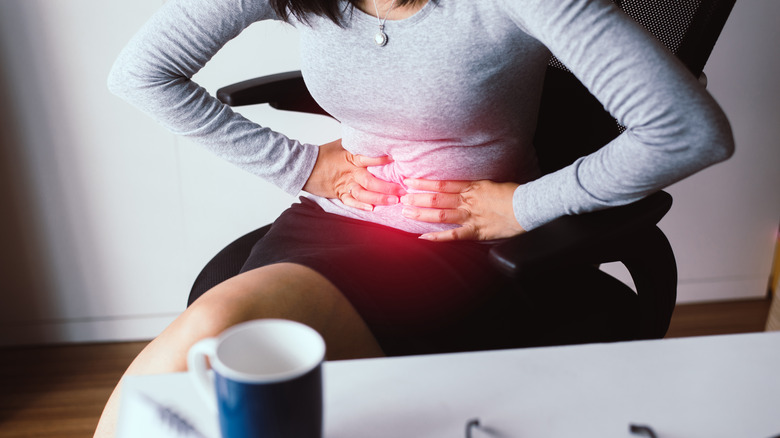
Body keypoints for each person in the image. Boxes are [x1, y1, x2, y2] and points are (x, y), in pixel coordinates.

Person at [96, 0, 734, 435]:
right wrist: (298, 166)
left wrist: (522, 204)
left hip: (460, 245)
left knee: (217, 331)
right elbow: (141, 74)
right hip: (330, 222)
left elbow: (688, 131)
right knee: (218, 367)